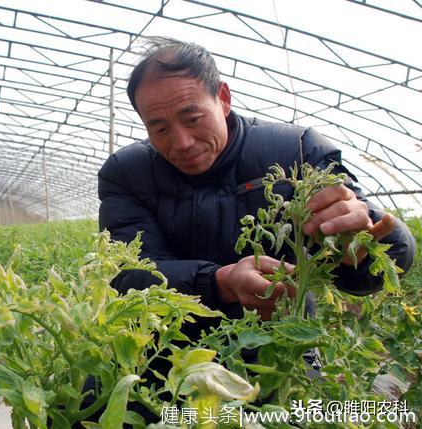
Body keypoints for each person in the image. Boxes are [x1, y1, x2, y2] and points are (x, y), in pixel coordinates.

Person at [98, 37, 416, 327]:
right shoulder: (126, 173)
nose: (181, 142)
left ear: (223, 98)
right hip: (167, 347)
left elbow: (380, 247)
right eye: (160, 129)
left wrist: (363, 248)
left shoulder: (298, 150)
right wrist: (219, 282)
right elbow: (128, 274)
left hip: (280, 342)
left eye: (192, 119)